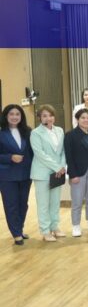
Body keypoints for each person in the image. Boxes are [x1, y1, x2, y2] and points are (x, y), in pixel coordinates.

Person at [30, 105, 67, 242]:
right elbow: (40, 154)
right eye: (44, 116)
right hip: (42, 173)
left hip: (58, 172)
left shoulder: (60, 130)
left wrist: (61, 166)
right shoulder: (35, 133)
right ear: (40, 118)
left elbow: (63, 151)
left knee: (55, 202)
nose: (48, 118)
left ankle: (55, 227)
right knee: (43, 204)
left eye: (50, 115)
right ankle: (45, 231)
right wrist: (57, 167)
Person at [64, 108, 88, 237]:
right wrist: (72, 174)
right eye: (83, 118)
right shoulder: (70, 135)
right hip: (78, 171)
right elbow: (69, 157)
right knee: (77, 200)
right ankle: (76, 225)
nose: (86, 120)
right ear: (77, 119)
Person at [0, 104, 33, 245]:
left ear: (21, 117)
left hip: (25, 174)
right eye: (11, 114)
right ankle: (16, 233)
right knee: (11, 205)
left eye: (17, 114)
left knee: (23, 204)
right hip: (7, 175)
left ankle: (19, 228)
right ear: (6, 116)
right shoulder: (1, 133)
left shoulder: (28, 132)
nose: (14, 117)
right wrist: (10, 157)